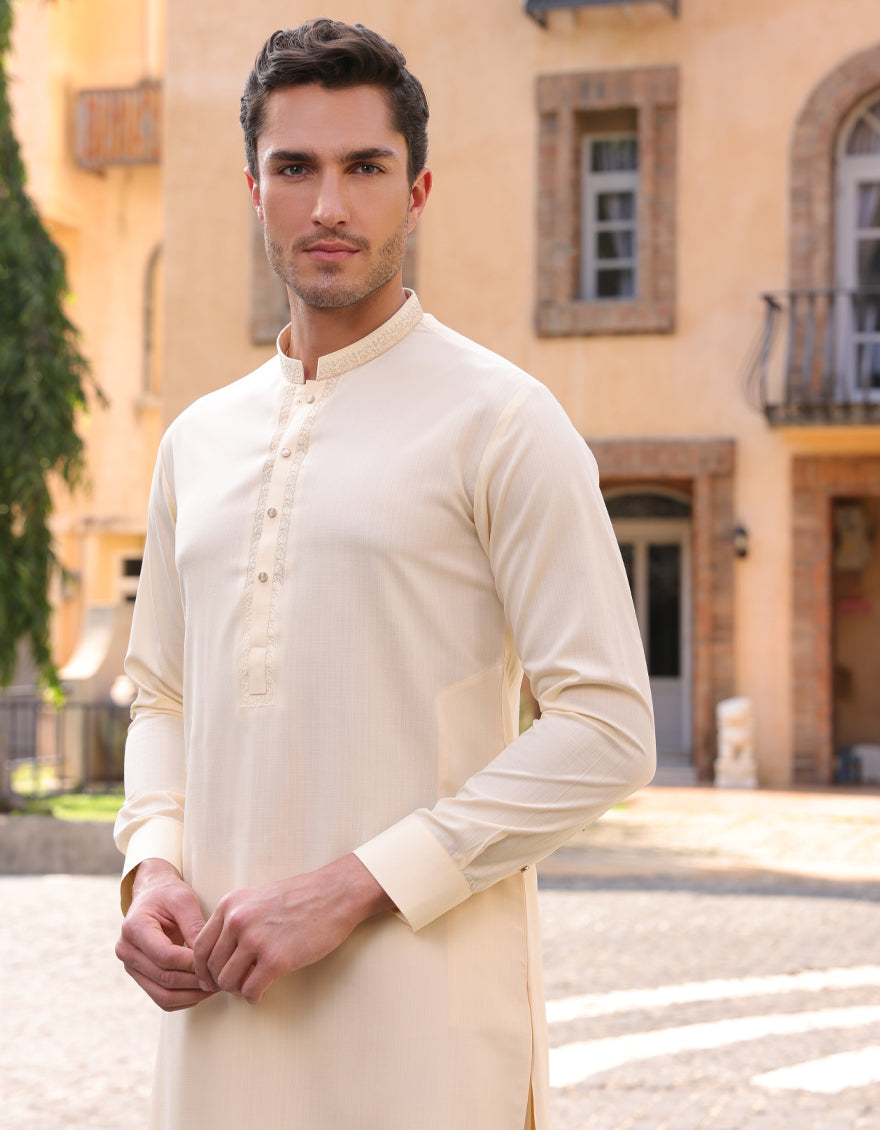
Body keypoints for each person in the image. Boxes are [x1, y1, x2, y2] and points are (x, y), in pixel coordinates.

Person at [114, 18, 655, 1130]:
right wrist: (153, 862)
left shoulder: (502, 422)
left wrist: (352, 885)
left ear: (416, 192)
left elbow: (607, 727)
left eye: (364, 167)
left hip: (424, 1040)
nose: (329, 206)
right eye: (294, 168)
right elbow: (161, 695)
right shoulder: (196, 443)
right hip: (217, 1026)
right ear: (253, 190)